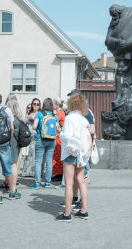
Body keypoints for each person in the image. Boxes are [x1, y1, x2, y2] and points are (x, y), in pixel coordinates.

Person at [55, 93, 91, 222]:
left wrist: (60, 132)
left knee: (69, 183)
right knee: (81, 181)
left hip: (71, 152)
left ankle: (67, 213)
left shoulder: (70, 118)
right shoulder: (83, 119)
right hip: (82, 153)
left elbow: (68, 136)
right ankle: (84, 210)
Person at [30, 98, 60, 189]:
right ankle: (47, 183)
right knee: (49, 161)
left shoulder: (39, 114)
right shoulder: (54, 116)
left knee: (38, 162)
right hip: (51, 140)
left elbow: (34, 126)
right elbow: (58, 129)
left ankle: (37, 183)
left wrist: (38, 129)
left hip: (41, 139)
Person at [4, 96, 23, 191]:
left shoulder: (10, 119)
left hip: (10, 142)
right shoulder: (19, 118)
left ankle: (12, 186)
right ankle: (12, 185)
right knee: (13, 163)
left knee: (12, 164)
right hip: (17, 143)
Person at [20, 98, 40, 177]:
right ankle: (27, 171)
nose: (35, 105)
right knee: (29, 154)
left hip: (37, 135)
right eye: (34, 104)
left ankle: (34, 172)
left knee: (35, 154)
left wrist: (33, 118)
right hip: (29, 135)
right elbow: (25, 123)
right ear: (32, 104)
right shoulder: (29, 113)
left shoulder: (40, 113)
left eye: (37, 104)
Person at [52, 98, 65, 180]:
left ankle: (59, 174)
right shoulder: (61, 112)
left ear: (57, 105)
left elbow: (54, 122)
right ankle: (58, 173)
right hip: (59, 137)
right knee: (57, 156)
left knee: (57, 157)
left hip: (58, 138)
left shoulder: (59, 113)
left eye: (53, 104)